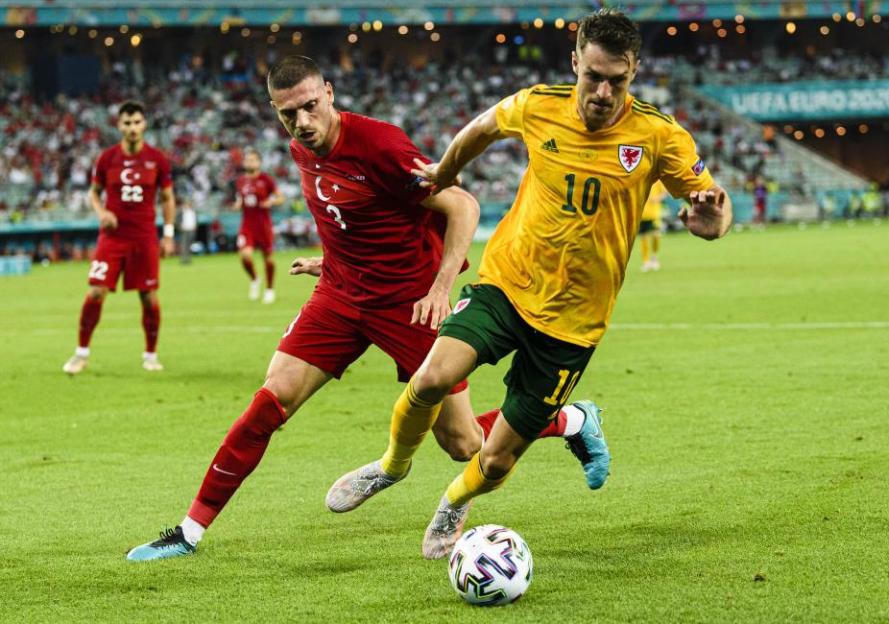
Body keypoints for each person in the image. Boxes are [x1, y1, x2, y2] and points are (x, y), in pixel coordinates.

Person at [125, 55, 606, 561]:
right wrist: (329, 257)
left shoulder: (380, 145)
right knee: (272, 399)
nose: (303, 122)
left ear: (329, 93)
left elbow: (462, 205)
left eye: (311, 107)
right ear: (275, 112)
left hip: (408, 302)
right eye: (289, 114)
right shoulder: (300, 147)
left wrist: (441, 287)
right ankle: (189, 532)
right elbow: (348, 209)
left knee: (464, 445)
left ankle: (569, 419)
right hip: (340, 294)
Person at [327, 8, 733, 560]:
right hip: (507, 286)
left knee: (493, 461)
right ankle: (391, 466)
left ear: (634, 71)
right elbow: (480, 129)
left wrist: (711, 222)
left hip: (573, 325)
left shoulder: (659, 136)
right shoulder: (538, 104)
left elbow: (711, 205)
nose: (603, 92)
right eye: (593, 76)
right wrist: (445, 173)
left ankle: (453, 501)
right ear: (575, 64)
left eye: (618, 79)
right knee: (430, 380)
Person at [62, 101, 176, 374]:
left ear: (144, 124)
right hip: (112, 238)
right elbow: (93, 192)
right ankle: (81, 354)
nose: (132, 127)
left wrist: (168, 233)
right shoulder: (106, 158)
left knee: (148, 296)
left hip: (144, 237)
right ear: (119, 125)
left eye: (137, 122)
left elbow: (168, 197)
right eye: (127, 123)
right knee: (96, 291)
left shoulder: (157, 159)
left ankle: (150, 355)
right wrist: (101, 212)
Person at [234, 148, 284, 304]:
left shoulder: (266, 179)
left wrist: (270, 201)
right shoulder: (240, 180)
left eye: (253, 160)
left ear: (259, 162)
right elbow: (241, 199)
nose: (250, 162)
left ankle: (269, 289)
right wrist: (238, 204)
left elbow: (280, 197)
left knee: (268, 258)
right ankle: (255, 279)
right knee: (245, 256)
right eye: (247, 160)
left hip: (263, 224)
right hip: (247, 224)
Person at [639, 180, 667, 272]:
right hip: (642, 213)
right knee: (643, 237)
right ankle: (646, 262)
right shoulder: (640, 177)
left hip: (654, 213)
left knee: (656, 235)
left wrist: (657, 198)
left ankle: (654, 257)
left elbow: (664, 193)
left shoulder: (657, 179)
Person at [178, 199, 198, 264]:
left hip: (191, 230)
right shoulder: (182, 211)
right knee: (183, 245)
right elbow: (177, 220)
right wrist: (179, 226)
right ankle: (183, 259)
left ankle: (188, 259)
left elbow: (195, 220)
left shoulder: (193, 211)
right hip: (184, 230)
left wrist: (195, 226)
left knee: (189, 245)